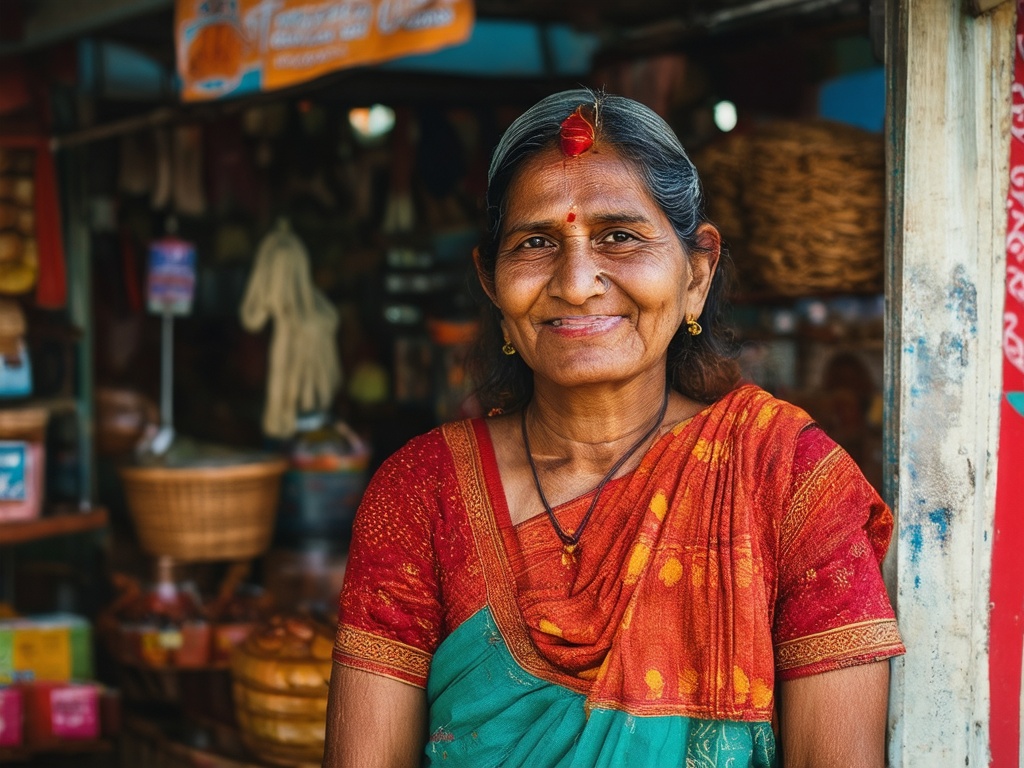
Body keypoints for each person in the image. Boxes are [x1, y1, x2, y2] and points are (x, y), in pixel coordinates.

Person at [322, 88, 904, 768]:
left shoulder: (787, 480)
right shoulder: (421, 494)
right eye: (536, 241)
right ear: (490, 280)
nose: (576, 281)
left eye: (619, 236)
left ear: (697, 271)